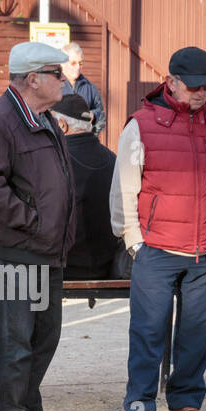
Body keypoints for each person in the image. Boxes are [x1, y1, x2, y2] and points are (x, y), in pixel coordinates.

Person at [111, 46, 206, 411]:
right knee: (148, 330)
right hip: (157, 248)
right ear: (171, 82)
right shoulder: (140, 125)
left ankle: (185, 403)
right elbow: (124, 189)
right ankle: (141, 405)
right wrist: (133, 240)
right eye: (193, 86)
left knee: (196, 334)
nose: (201, 92)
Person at [0, 41, 75, 411]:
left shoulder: (42, 116)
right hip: (18, 248)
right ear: (33, 79)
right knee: (17, 337)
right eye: (56, 73)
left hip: (47, 248)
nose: (64, 80)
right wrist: (31, 220)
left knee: (45, 335)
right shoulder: (3, 120)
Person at [52, 94, 124, 280]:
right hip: (106, 265)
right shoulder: (112, 158)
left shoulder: (56, 160)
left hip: (66, 267)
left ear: (62, 125)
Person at [60, 42, 106, 135]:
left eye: (80, 63)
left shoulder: (90, 88)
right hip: (59, 145)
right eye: (73, 63)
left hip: (83, 144)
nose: (78, 67)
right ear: (62, 64)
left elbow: (102, 117)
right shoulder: (52, 86)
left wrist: (93, 116)